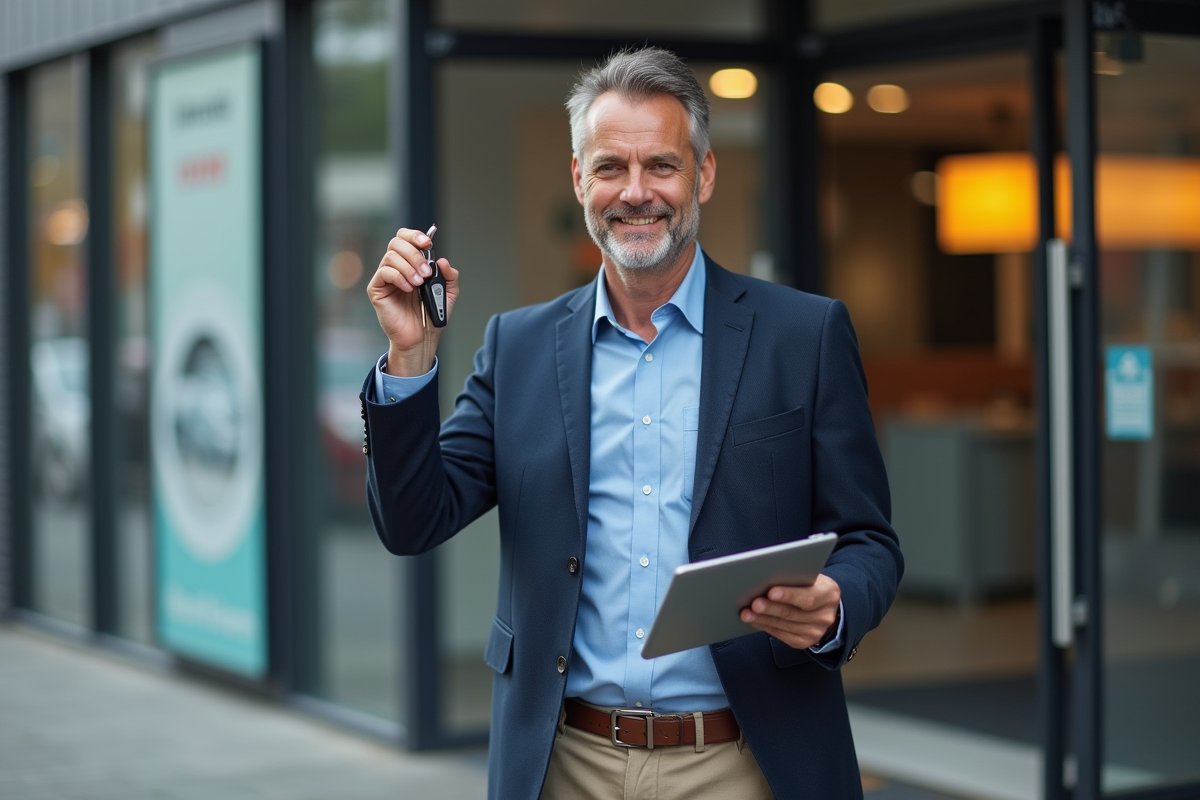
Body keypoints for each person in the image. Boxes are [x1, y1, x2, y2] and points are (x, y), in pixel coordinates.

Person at [361, 47, 902, 800]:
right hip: (564, 763)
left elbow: (870, 541)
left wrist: (837, 601)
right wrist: (410, 356)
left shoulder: (803, 336)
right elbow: (413, 521)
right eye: (611, 166)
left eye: (662, 166)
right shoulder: (518, 347)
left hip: (744, 762)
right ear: (579, 178)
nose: (636, 192)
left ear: (703, 175)